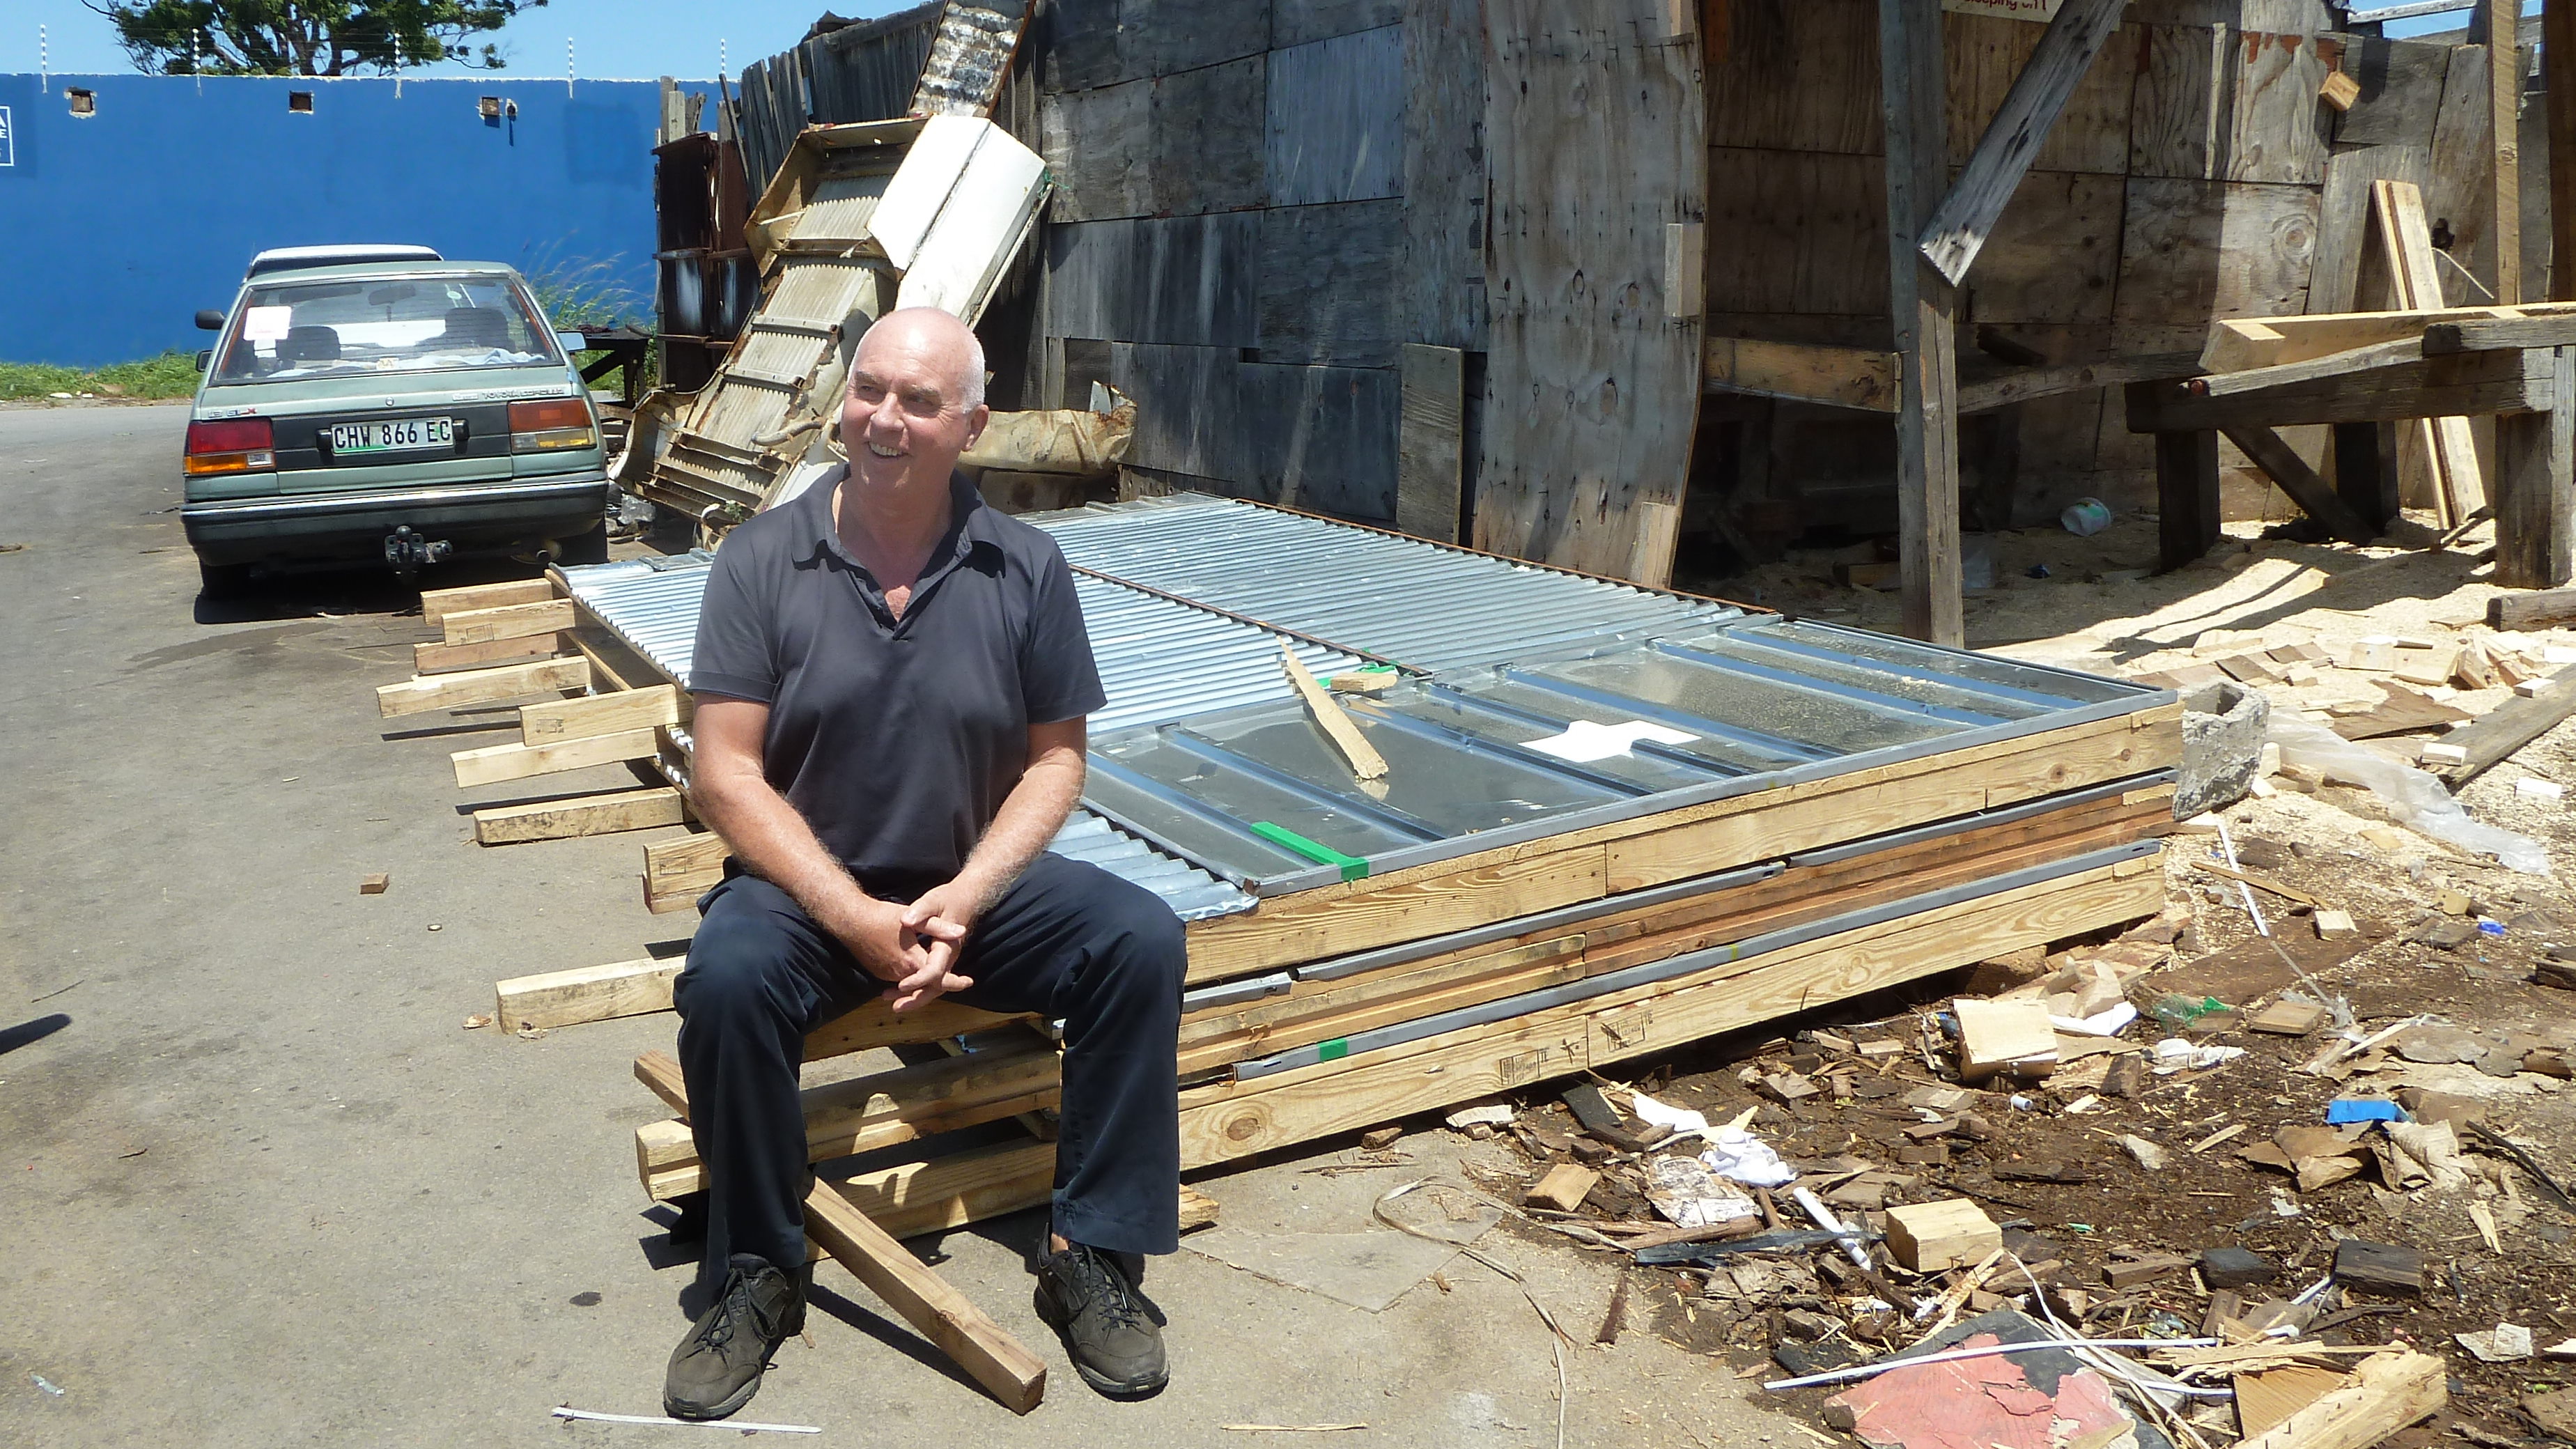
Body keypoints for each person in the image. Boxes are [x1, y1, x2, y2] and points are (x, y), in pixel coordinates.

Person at [660, 307, 1186, 1419]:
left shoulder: (1024, 566)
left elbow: (1055, 762)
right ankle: (757, 1266)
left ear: (972, 426)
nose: (884, 419)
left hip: (965, 885)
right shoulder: (761, 559)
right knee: (726, 980)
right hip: (805, 893)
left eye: (918, 401)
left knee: (1138, 941)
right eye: (869, 390)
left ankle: (1090, 1249)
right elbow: (725, 773)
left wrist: (969, 894)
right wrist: (851, 913)